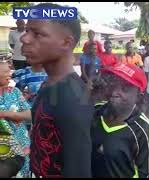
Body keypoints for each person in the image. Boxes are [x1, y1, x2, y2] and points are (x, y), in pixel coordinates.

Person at [20, 3, 94, 178]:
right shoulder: (51, 83)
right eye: (27, 31)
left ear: (66, 43)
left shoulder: (73, 98)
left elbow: (78, 171)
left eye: (37, 34)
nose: (25, 38)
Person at [91, 62, 149, 178]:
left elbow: (148, 174)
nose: (114, 92)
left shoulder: (143, 130)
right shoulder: (95, 112)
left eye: (125, 88)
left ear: (139, 97)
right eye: (112, 84)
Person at [0, 62, 32, 178]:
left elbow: (30, 114)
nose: (9, 75)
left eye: (9, 72)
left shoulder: (15, 92)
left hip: (20, 144)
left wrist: (8, 114)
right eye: (5, 72)